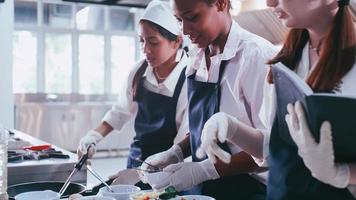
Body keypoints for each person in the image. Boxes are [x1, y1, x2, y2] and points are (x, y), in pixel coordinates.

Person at [197, 0, 356, 199]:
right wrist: (231, 127)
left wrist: (342, 174)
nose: (270, 2)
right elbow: (273, 149)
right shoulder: (287, 60)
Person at [141, 0, 277, 199]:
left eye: (192, 17)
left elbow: (271, 148)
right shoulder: (196, 56)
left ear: (221, 3)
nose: (185, 30)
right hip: (204, 190)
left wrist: (204, 170)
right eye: (179, 20)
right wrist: (176, 151)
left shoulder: (256, 56)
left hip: (247, 190)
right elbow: (204, 126)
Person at [77, 0, 189, 185]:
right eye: (142, 41)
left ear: (176, 41)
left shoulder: (188, 78)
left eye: (153, 42)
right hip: (136, 161)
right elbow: (119, 112)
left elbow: (183, 142)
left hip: (170, 170)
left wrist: (144, 172)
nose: (145, 49)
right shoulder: (138, 72)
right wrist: (93, 137)